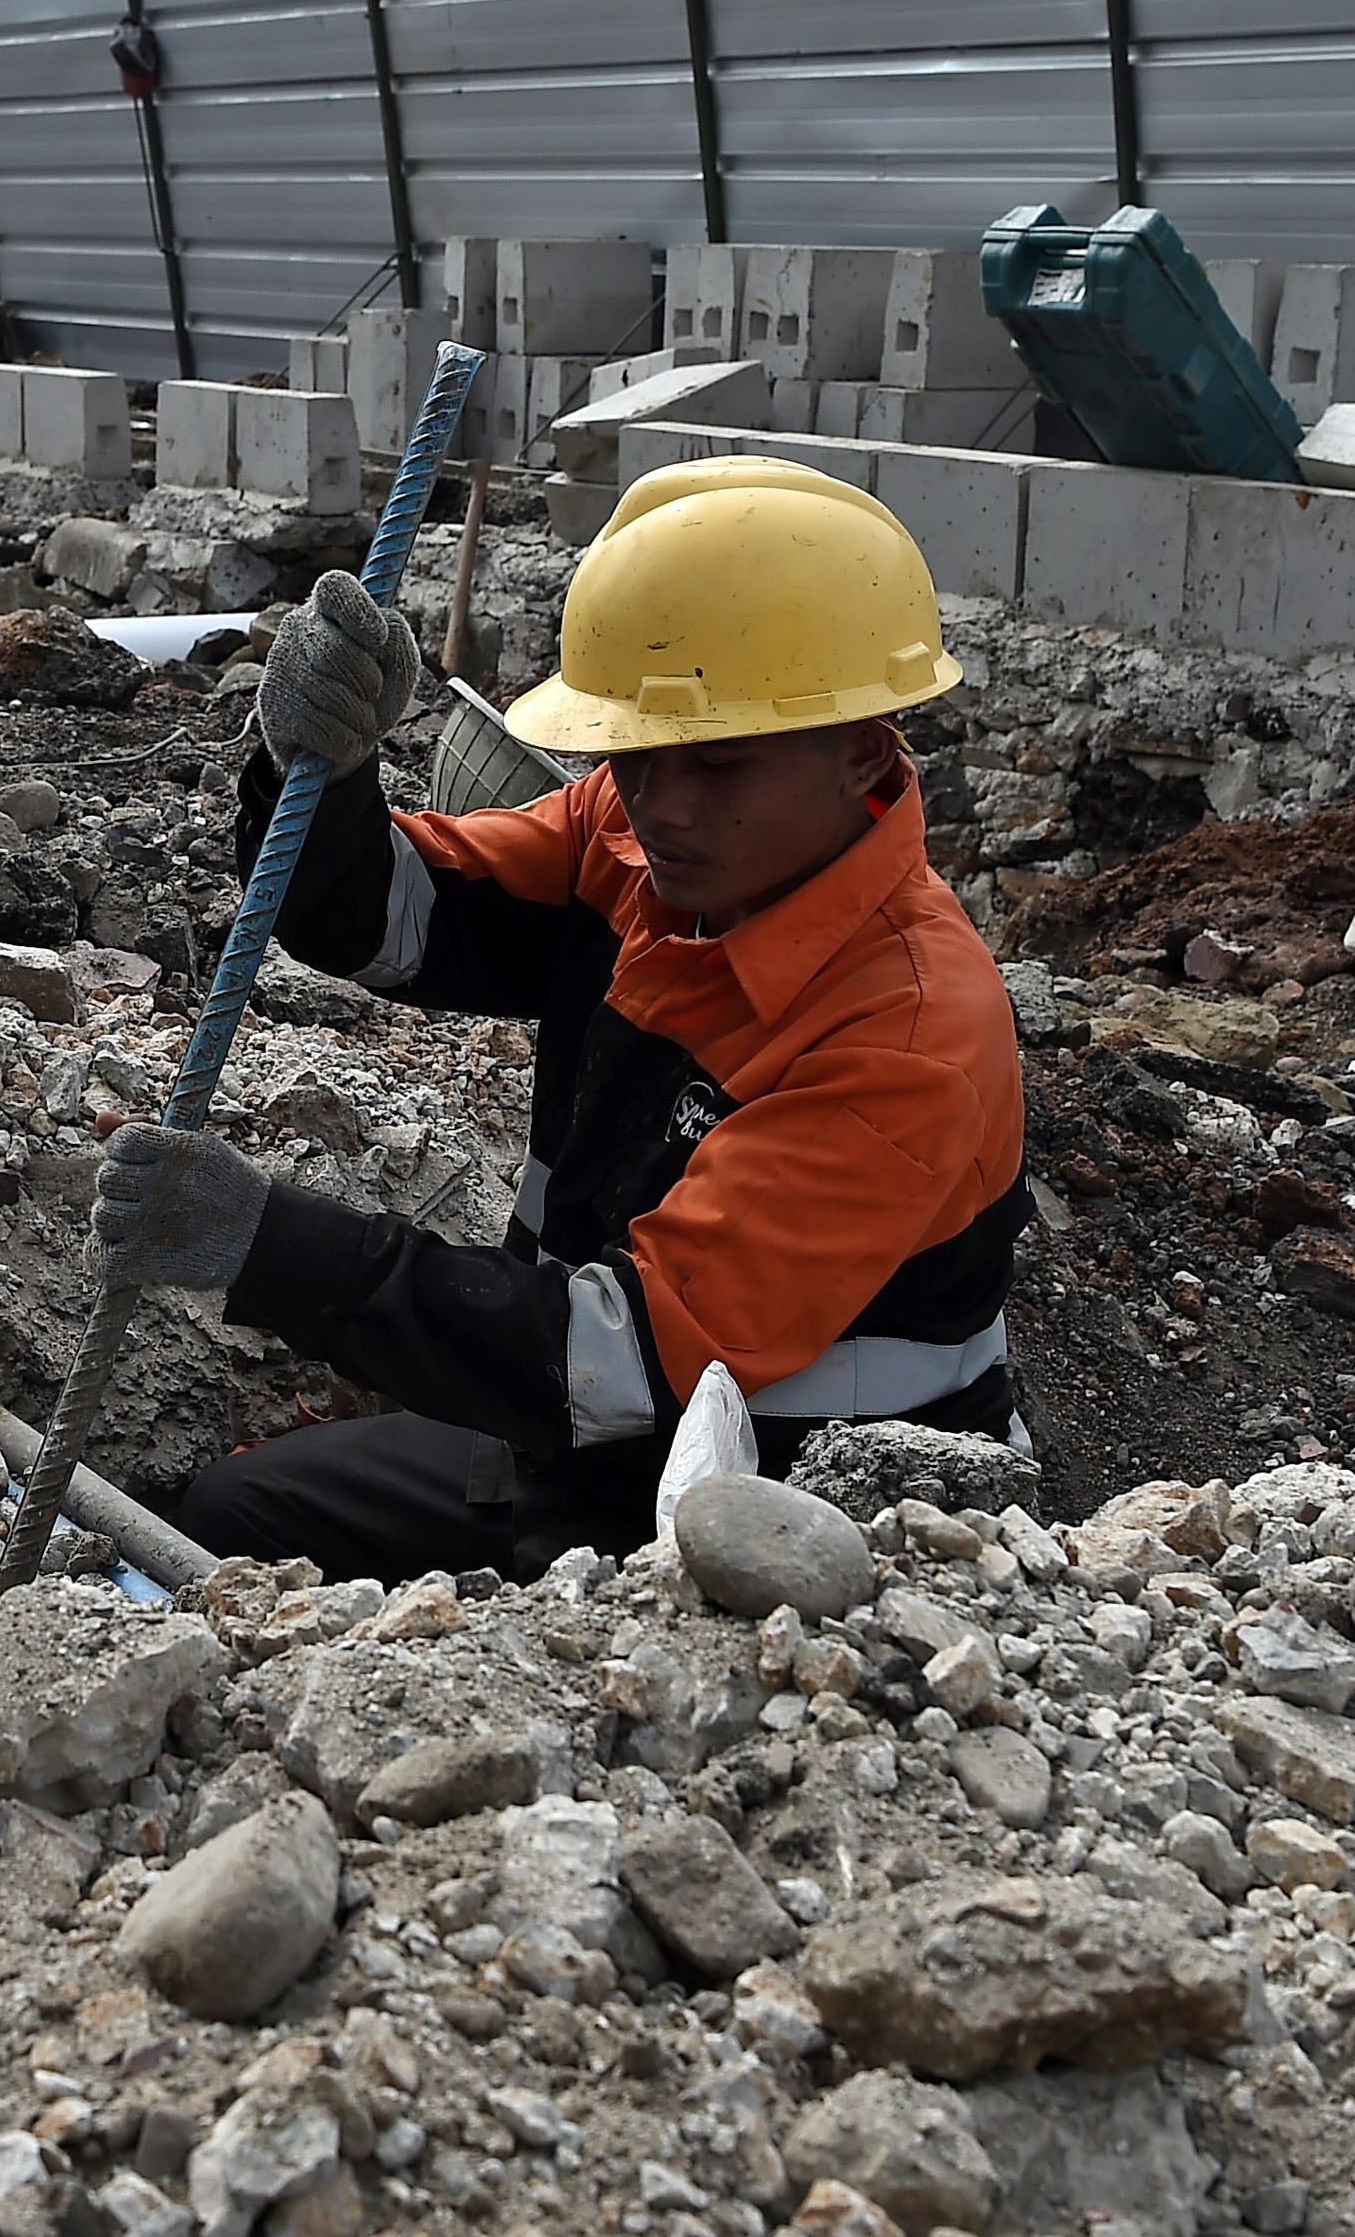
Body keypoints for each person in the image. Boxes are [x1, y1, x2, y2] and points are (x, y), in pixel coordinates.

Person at [88, 453, 1031, 1585]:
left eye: (717, 764)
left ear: (862, 754)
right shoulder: (634, 843)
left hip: (789, 1547)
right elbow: (391, 921)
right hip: (573, 1449)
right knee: (210, 1519)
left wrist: (268, 1243)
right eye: (631, 756)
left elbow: (620, 1356)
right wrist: (322, 773)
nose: (661, 804)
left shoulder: (905, 1037)